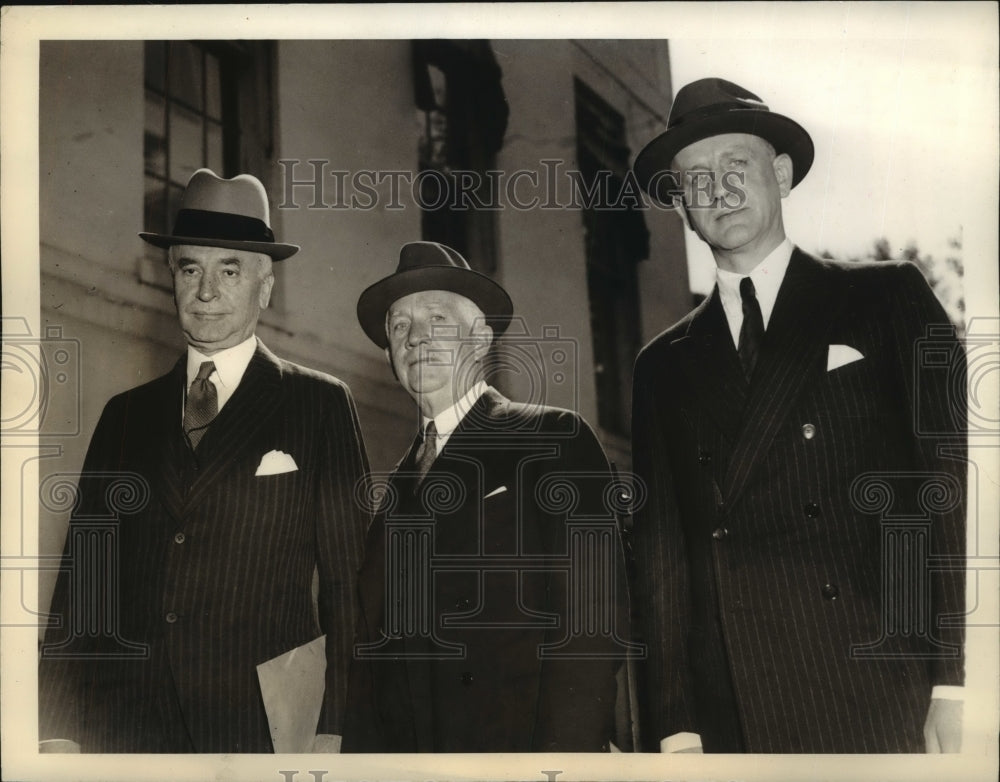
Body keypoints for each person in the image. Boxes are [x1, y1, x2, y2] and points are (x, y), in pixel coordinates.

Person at [629, 78, 966, 753]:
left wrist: (954, 681)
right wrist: (674, 726)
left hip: (883, 679)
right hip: (734, 706)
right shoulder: (662, 364)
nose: (718, 190)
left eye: (736, 167)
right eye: (695, 179)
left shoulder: (885, 299)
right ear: (679, 205)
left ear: (780, 175)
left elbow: (950, 487)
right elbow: (663, 553)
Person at [38, 169, 371, 753]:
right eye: (190, 269)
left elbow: (350, 588)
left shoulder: (319, 404)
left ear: (265, 287)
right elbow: (83, 582)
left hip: (260, 731)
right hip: (128, 729)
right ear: (172, 279)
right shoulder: (125, 416)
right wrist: (57, 728)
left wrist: (336, 725)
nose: (206, 292)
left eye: (230, 270)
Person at [342, 241, 632, 752]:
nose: (416, 338)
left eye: (436, 316)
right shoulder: (393, 494)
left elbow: (591, 622)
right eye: (400, 326)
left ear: (480, 336)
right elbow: (373, 663)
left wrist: (564, 762)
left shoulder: (551, 437)